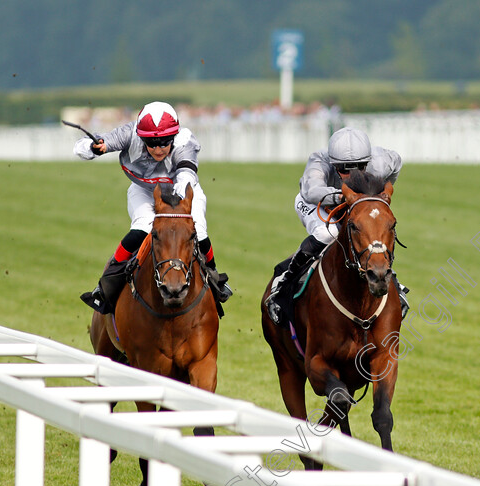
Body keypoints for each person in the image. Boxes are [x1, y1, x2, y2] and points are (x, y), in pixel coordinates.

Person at [73, 101, 232, 315]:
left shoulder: (185, 141)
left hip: (182, 191)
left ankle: (214, 280)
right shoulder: (130, 133)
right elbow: (83, 146)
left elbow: (186, 176)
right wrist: (93, 148)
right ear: (142, 137)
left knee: (199, 231)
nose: (158, 148)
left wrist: (174, 206)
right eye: (151, 142)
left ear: (173, 137)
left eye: (164, 142)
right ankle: (107, 284)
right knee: (142, 228)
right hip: (144, 191)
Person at [264, 127, 408, 325]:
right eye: (343, 169)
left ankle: (395, 286)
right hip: (315, 202)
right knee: (328, 232)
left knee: (373, 234)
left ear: (368, 161)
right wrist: (346, 197)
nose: (351, 174)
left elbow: (397, 164)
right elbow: (311, 191)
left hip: (358, 201)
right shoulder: (319, 160)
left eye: (359, 166)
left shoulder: (381, 161)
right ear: (333, 163)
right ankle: (283, 284)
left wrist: (380, 197)